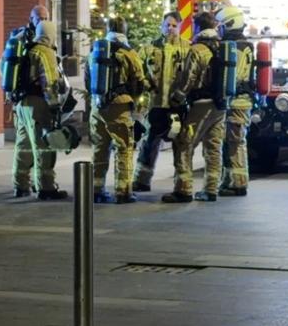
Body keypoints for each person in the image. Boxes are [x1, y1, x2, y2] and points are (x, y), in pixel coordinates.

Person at [162, 11, 227, 204]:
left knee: (184, 143)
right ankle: (211, 189)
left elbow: (188, 78)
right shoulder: (221, 47)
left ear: (198, 27)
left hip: (201, 105)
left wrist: (176, 99)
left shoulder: (197, 49)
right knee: (213, 146)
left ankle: (183, 189)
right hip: (220, 105)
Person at [87, 18, 148, 204]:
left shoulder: (94, 52)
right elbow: (139, 81)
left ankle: (96, 189)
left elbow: (87, 80)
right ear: (125, 29)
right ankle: (123, 191)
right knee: (123, 147)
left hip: (97, 107)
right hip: (119, 106)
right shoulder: (128, 53)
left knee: (100, 147)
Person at [12, 18, 69, 200]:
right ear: (50, 34)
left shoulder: (26, 50)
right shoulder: (45, 52)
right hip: (38, 105)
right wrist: (54, 105)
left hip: (21, 105)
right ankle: (46, 187)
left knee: (24, 146)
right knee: (44, 147)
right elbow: (49, 83)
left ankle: (20, 185)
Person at [133, 11, 190, 193]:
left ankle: (181, 184)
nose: (170, 28)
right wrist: (146, 85)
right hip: (156, 105)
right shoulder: (149, 48)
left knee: (180, 144)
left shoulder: (187, 48)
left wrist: (182, 95)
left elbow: (194, 75)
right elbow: (137, 71)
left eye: (174, 25)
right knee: (150, 142)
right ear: (161, 25)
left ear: (180, 27)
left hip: (177, 105)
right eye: (167, 25)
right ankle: (142, 180)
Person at [217, 5, 254, 196]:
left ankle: (238, 183)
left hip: (237, 102)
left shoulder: (238, 47)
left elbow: (237, 76)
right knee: (231, 141)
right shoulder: (242, 44)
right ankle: (230, 180)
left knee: (236, 142)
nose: (219, 30)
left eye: (221, 26)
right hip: (239, 101)